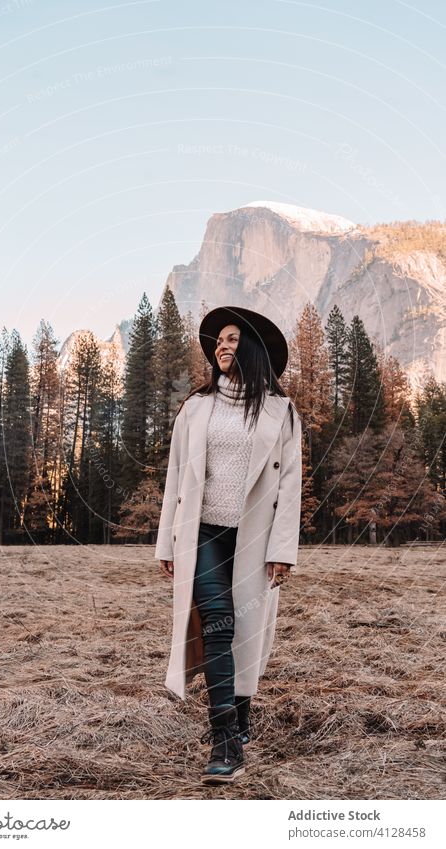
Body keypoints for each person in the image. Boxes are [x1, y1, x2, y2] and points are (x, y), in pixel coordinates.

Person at [155, 305, 302, 784]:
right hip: (203, 534)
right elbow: (176, 477)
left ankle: (240, 711)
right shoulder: (196, 408)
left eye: (234, 338)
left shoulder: (281, 412)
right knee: (217, 624)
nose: (222, 344)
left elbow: (290, 486)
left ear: (254, 348)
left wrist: (283, 548)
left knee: (246, 627)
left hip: (255, 536)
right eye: (218, 339)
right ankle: (225, 740)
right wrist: (166, 542)